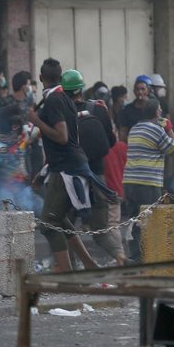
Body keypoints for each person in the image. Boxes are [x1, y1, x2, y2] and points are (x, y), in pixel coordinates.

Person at [27, 58, 112, 272]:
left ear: (40, 77)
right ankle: (88, 263)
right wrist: (44, 171)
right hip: (63, 166)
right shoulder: (61, 97)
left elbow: (62, 137)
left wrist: (35, 121)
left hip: (67, 170)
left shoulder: (55, 100)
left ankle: (64, 269)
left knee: (48, 223)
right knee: (59, 219)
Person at [62, 69, 130, 266]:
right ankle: (121, 258)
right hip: (98, 176)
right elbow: (110, 142)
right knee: (102, 230)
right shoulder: (99, 109)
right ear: (82, 89)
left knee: (63, 224)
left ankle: (69, 267)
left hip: (70, 177)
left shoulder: (62, 112)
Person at [123, 99, 174, 261]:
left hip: (129, 182)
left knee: (135, 222)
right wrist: (169, 128)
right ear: (157, 113)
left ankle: (136, 258)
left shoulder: (134, 129)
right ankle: (151, 259)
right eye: (160, 110)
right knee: (151, 222)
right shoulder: (156, 130)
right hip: (147, 183)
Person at [117, 77, 152, 142]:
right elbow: (123, 134)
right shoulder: (127, 110)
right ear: (134, 91)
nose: (140, 92)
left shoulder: (154, 108)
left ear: (148, 91)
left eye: (143, 89)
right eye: (137, 89)